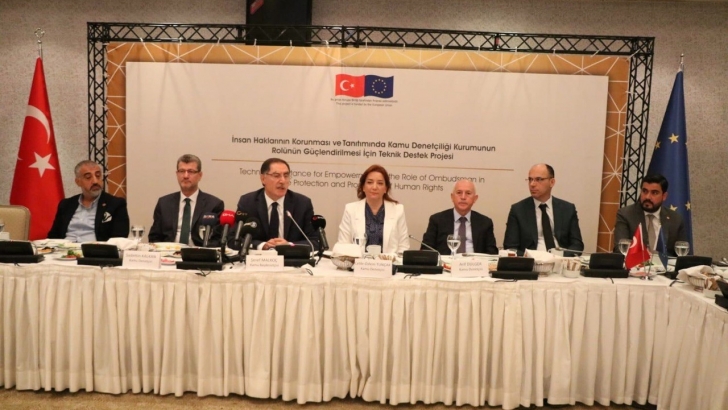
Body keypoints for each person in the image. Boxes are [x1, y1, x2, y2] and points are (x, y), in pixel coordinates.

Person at [235, 158, 318, 250]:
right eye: (276, 176)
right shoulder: (248, 202)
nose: (282, 181)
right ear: (263, 178)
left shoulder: (302, 204)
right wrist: (262, 245)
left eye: (286, 176)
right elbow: (234, 239)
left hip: (290, 258)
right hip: (259, 257)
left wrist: (289, 245)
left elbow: (315, 241)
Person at [503, 163, 583, 255]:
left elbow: (577, 245)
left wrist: (560, 257)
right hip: (532, 260)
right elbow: (510, 247)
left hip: (560, 260)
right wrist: (532, 257)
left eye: (538, 179)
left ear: (552, 182)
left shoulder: (567, 209)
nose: (532, 184)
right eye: (530, 179)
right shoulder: (518, 210)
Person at [148, 154, 224, 246]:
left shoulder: (214, 204)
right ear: (177, 174)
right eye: (182, 171)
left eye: (191, 171)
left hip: (198, 253)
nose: (185, 176)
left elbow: (217, 240)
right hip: (168, 252)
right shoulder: (164, 203)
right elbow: (154, 237)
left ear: (200, 175)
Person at [48, 160, 130, 242]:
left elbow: (119, 238)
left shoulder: (115, 204)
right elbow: (53, 236)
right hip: (65, 248)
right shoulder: (66, 204)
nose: (95, 181)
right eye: (88, 177)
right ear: (78, 182)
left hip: (93, 249)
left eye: (98, 176)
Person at [337, 164, 409, 254]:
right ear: (363, 187)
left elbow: (403, 247)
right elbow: (343, 244)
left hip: (389, 262)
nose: (374, 187)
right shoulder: (351, 209)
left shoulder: (398, 210)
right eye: (370, 182)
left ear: (386, 189)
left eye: (380, 183)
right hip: (358, 262)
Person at [613, 173, 687, 255]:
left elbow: (682, 255)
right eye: (644, 191)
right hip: (636, 262)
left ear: (664, 196)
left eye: (654, 193)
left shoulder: (675, 219)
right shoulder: (626, 214)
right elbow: (620, 250)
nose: (647, 197)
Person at [421, 179, 498, 255]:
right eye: (459, 193)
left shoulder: (485, 223)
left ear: (475, 198)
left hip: (475, 263)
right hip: (446, 263)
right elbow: (426, 250)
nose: (463, 197)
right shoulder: (437, 220)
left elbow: (492, 253)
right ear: (452, 197)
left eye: (468, 193)